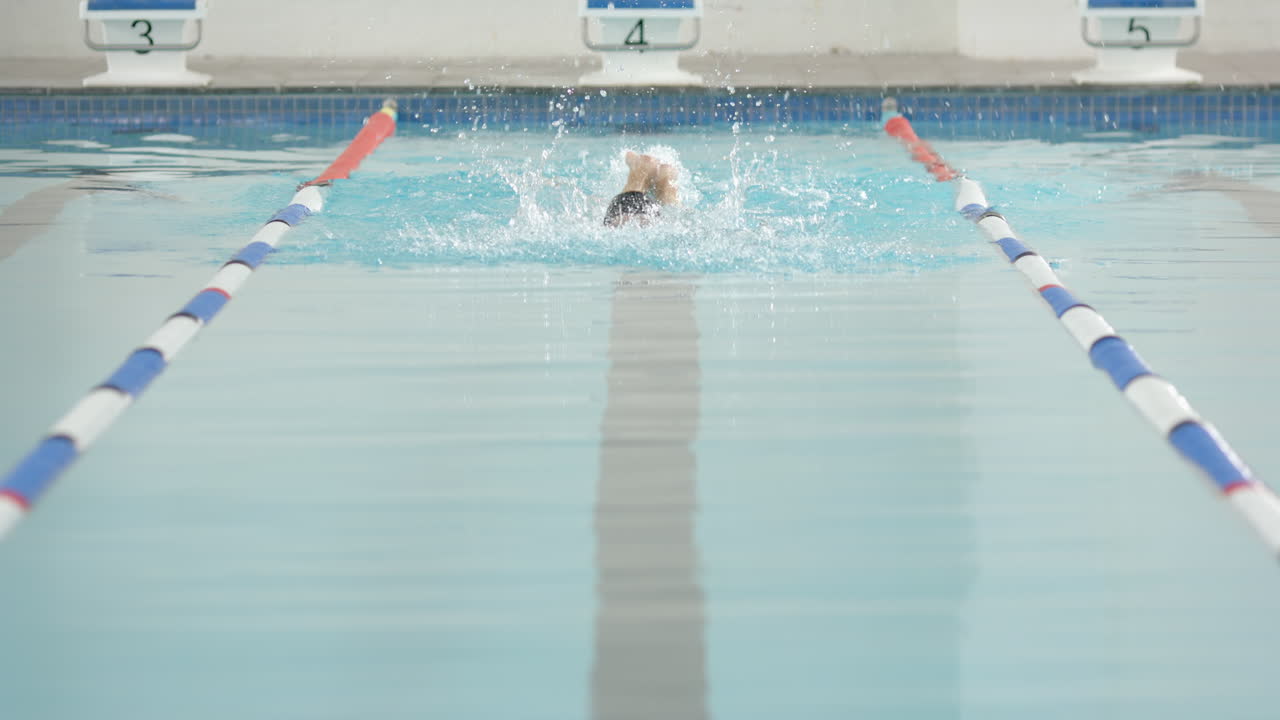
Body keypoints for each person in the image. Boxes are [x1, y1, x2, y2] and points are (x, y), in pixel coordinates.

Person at [603, 151, 680, 227]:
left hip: (626, 214)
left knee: (636, 184)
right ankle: (666, 182)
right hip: (659, 221)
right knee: (672, 208)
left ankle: (642, 169)